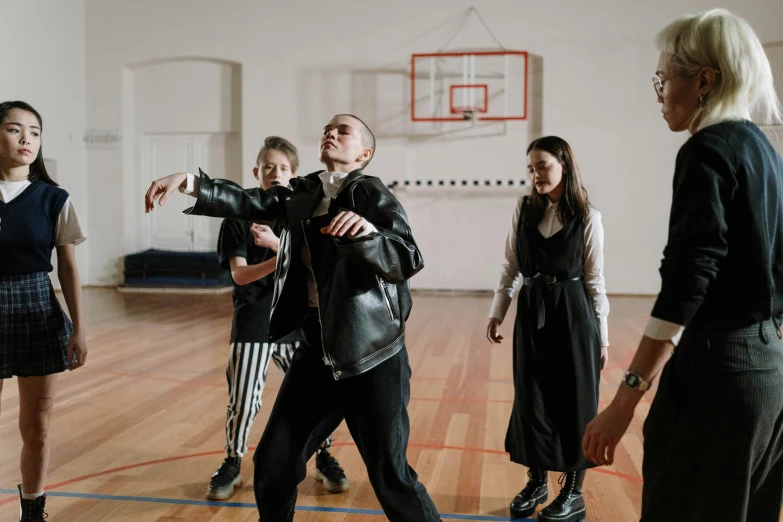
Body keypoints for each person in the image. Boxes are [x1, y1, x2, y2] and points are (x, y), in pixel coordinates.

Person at [144, 114, 442, 522]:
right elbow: (247, 201)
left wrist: (369, 235)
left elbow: (407, 256)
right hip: (317, 351)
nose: (331, 133)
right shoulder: (303, 192)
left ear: (364, 153)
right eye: (328, 128)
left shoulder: (369, 192)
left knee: (391, 476)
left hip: (372, 356)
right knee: (273, 466)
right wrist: (189, 181)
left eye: (344, 131)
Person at [581, 8, 783, 522]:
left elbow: (688, 282)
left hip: (720, 377)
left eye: (665, 78)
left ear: (705, 80)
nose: (660, 92)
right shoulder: (763, 151)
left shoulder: (708, 150)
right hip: (768, 374)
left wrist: (623, 401)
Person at [207, 136, 348, 500]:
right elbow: (239, 275)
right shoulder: (240, 218)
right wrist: (282, 254)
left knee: (316, 396)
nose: (275, 173)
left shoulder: (300, 216)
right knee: (243, 399)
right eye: (268, 166)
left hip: (296, 322)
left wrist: (279, 245)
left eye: (283, 168)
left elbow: (318, 263)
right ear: (256, 172)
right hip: (253, 322)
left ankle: (323, 454)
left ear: (293, 175)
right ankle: (233, 461)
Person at [487, 135, 609, 522]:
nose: (536, 174)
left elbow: (595, 281)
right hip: (531, 314)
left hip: (574, 317)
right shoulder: (523, 209)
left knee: (575, 402)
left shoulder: (588, 217)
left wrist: (602, 336)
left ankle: (573, 492)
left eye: (543, 166)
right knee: (531, 399)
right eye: (531, 168)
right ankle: (536, 479)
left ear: (564, 166)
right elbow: (510, 266)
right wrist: (497, 312)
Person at [0, 100, 87, 522]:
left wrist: (80, 329)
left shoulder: (54, 198)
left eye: (34, 132)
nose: (26, 140)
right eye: (15, 130)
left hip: (37, 308)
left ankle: (32, 511)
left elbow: (68, 267)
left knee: (36, 427)